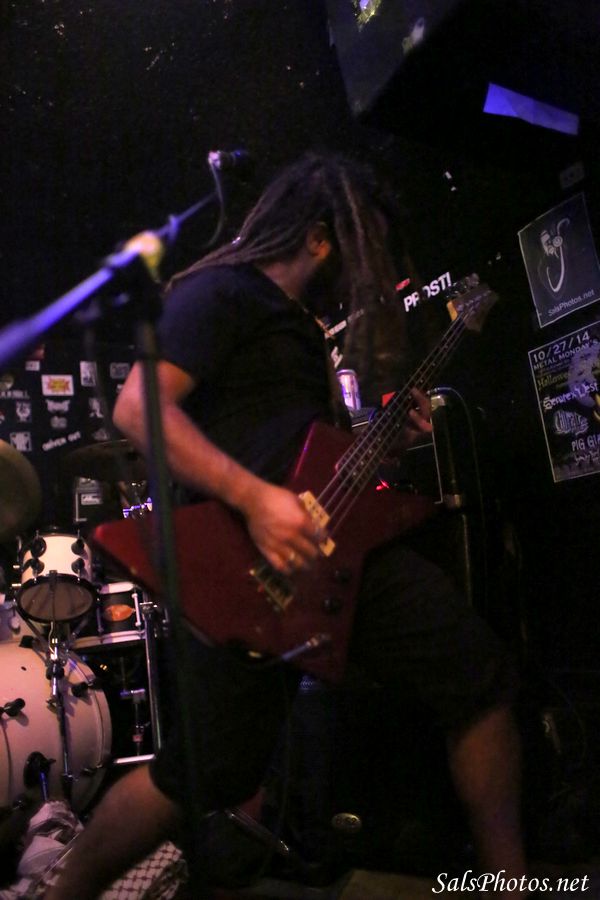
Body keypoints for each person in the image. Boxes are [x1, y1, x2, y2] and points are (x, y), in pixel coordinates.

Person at [45, 153, 528, 898]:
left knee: (477, 676)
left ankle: (509, 886)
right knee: (205, 771)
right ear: (320, 237)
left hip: (323, 559)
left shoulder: (300, 328)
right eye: (363, 246)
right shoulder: (223, 292)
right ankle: (63, 892)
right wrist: (256, 499)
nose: (367, 273)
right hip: (244, 566)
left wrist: (383, 444)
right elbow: (138, 408)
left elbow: (301, 457)